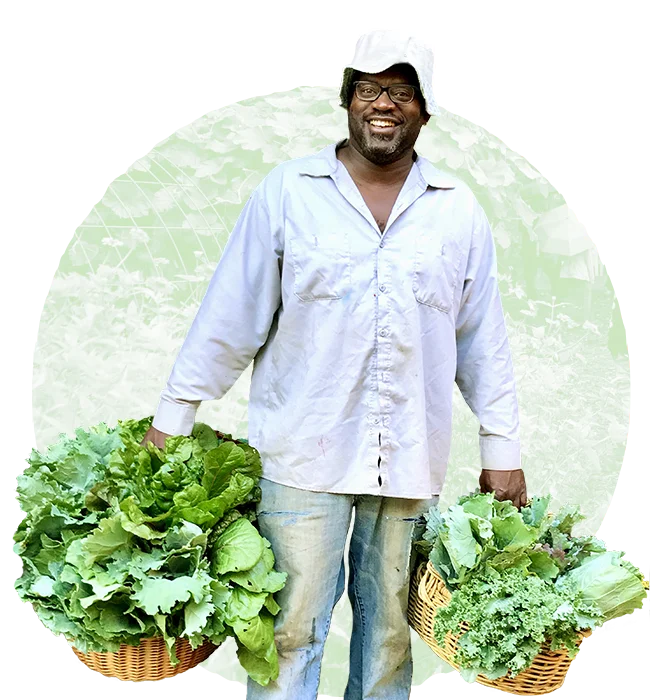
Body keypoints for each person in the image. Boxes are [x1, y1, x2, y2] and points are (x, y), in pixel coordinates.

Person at [142, 29, 526, 700]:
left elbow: (481, 338)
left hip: (409, 454)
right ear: (348, 99)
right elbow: (232, 313)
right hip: (302, 454)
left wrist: (503, 445)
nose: (386, 104)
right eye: (372, 88)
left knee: (387, 640)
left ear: (424, 108)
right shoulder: (289, 191)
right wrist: (174, 416)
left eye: (402, 91)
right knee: (291, 630)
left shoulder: (456, 209)